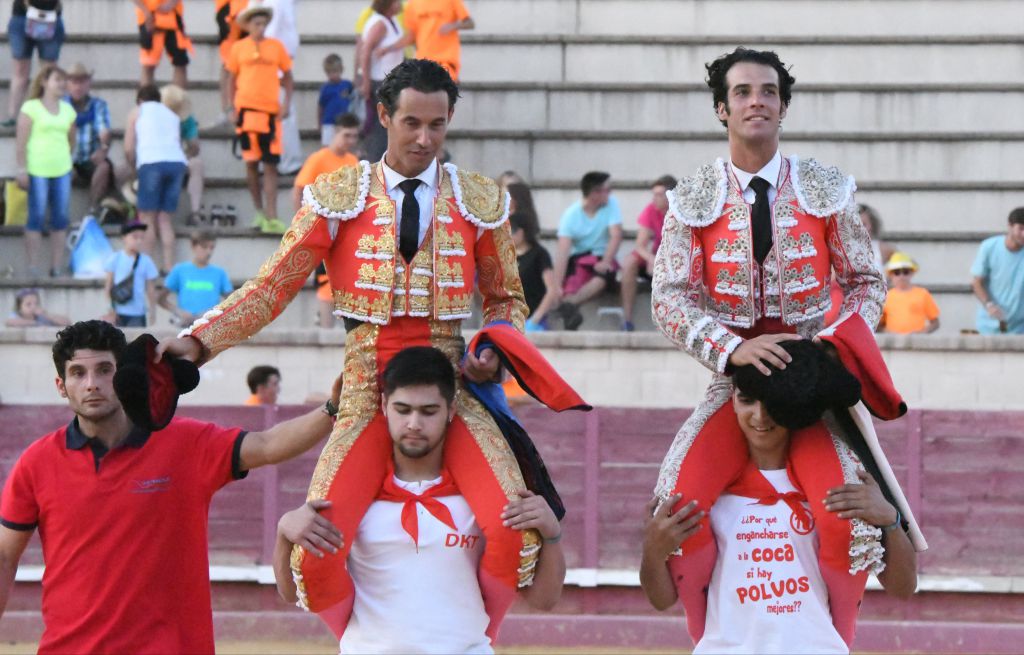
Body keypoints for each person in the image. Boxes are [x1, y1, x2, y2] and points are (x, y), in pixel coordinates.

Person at [156, 59, 568, 637]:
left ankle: (476, 641)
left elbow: (507, 301)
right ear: (383, 116)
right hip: (365, 390)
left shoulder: (479, 199)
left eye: (438, 125)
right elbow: (272, 287)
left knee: (513, 532)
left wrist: (492, 348)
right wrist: (199, 342)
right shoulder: (336, 196)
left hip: (453, 387)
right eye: (411, 123)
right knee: (314, 551)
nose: (425, 139)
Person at [649, 47, 889, 649]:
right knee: (679, 507)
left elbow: (867, 281)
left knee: (848, 517)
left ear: (782, 107)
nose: (757, 100)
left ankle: (835, 644)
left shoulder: (826, 189)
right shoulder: (693, 196)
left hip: (809, 387)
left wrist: (831, 350)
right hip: (735, 384)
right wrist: (731, 349)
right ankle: (708, 642)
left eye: (769, 91)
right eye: (742, 92)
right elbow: (668, 298)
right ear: (721, 109)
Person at [0, 320, 341, 654]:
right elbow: (3, 557)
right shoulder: (37, 463)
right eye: (78, 373)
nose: (92, 384)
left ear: (124, 376)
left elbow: (267, 444)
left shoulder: (186, 443)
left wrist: (333, 409)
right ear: (61, 385)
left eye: (105, 370)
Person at [274, 346, 564, 652]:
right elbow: (291, 593)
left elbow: (544, 600)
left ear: (451, 410)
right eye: (403, 410)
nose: (414, 423)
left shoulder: (477, 502)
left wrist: (553, 534)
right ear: (384, 406)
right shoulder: (358, 502)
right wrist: (283, 533)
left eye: (428, 411)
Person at [641, 340, 918, 654]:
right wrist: (651, 550)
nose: (760, 416)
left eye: (772, 403)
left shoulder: (835, 488)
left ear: (793, 405)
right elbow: (661, 600)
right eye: (747, 400)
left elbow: (903, 588)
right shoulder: (712, 490)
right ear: (732, 400)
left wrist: (891, 521)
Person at [226, 1, 294, 234]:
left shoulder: (276, 47)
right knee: (251, 163)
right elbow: (229, 78)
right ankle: (259, 212)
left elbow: (287, 76)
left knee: (271, 164)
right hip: (246, 112)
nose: (261, 27)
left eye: (264, 23)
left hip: (270, 113)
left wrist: (286, 103)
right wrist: (229, 108)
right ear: (248, 25)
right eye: (257, 23)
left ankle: (272, 215)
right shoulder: (238, 48)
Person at [15, 63, 75, 279]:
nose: (61, 84)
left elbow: (71, 139)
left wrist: (66, 160)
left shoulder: (68, 110)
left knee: (60, 217)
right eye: (56, 80)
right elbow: (21, 141)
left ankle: (56, 266)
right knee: (37, 216)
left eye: (63, 80)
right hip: (37, 168)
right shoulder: (31, 107)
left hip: (62, 170)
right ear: (44, 82)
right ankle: (32, 266)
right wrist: (22, 169)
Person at [124, 84, 188, 273]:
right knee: (165, 219)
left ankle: (147, 266)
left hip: (151, 163)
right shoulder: (172, 114)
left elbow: (129, 148)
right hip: (176, 164)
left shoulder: (138, 111)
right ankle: (169, 267)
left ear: (140, 100)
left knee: (147, 217)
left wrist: (133, 167)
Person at [551, 171, 623, 331]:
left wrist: (605, 260)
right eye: (607, 189)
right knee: (569, 286)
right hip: (580, 259)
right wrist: (556, 285)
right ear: (595, 193)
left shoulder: (611, 204)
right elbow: (563, 252)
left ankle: (569, 305)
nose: (610, 194)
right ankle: (570, 312)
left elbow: (616, 235)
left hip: (602, 256)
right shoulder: (570, 216)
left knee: (602, 277)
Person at [620, 174, 676, 332]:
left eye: (659, 195)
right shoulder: (651, 210)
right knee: (629, 262)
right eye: (654, 194)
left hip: (677, 260)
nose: (654, 199)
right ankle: (627, 320)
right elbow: (639, 245)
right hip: (657, 258)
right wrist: (652, 258)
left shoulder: (681, 211)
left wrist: (660, 261)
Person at [3, 0, 65, 128]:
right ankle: (13, 116)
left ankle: (49, 113)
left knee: (49, 71)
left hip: (51, 15)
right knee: (20, 71)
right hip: (22, 15)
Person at [65, 63, 116, 217]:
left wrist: (104, 147)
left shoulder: (98, 105)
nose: (78, 87)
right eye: (74, 82)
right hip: (66, 158)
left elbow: (104, 130)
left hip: (89, 159)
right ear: (68, 84)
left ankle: (93, 209)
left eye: (82, 82)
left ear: (88, 84)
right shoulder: (60, 106)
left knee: (104, 166)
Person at [357, 0, 404, 162]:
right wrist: (366, 80)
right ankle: (375, 161)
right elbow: (366, 50)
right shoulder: (380, 24)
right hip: (379, 80)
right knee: (380, 126)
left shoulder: (391, 21)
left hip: (390, 80)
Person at [384, 0, 473, 81]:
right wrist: (387, 49)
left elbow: (469, 23)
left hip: (447, 61)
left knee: (444, 96)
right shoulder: (412, 4)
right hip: (423, 62)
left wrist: (452, 26)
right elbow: (411, 37)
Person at [159, 230, 233, 325]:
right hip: (185, 325)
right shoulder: (180, 270)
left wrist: (213, 312)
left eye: (211, 248)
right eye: (204, 247)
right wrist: (178, 312)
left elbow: (232, 300)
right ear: (193, 246)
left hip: (210, 326)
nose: (208, 252)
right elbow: (161, 299)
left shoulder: (219, 273)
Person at [264, 0, 303, 175]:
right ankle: (287, 162)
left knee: (283, 115)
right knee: (283, 115)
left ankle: (284, 161)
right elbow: (269, 33)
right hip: (274, 65)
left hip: (279, 63)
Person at [292, 112, 361, 212]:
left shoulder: (353, 160)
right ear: (335, 132)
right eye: (347, 135)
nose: (351, 141)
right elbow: (298, 191)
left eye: (354, 136)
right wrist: (299, 221)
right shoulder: (318, 158)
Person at [971, 207, 1024, 334]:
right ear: (1010, 226)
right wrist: (989, 304)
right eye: (1021, 228)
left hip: (1019, 328)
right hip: (988, 326)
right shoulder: (989, 247)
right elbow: (976, 282)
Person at [160, 84, 206, 226]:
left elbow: (195, 147)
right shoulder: (153, 118)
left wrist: (185, 154)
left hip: (177, 159)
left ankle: (195, 213)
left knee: (196, 164)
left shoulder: (187, 120)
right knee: (121, 171)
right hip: (155, 159)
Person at [103, 221, 159, 328]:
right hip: (118, 312)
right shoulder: (115, 258)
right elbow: (108, 285)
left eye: (142, 238)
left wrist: (153, 310)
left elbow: (150, 288)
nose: (138, 241)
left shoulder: (146, 261)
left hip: (138, 313)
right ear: (124, 237)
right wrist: (109, 308)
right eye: (135, 237)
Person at [511, 212, 558, 331]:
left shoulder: (539, 254)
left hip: (534, 320)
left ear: (521, 232)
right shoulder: (507, 256)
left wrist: (535, 320)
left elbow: (551, 289)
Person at [133, 0, 192, 88]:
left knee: (180, 62)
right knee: (148, 63)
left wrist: (171, 3)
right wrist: (146, 12)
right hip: (149, 17)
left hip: (173, 17)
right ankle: (147, 99)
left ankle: (177, 100)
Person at [879, 252, 939, 334]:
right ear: (891, 275)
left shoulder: (923, 294)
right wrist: (889, 333)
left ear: (912, 273)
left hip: (917, 343)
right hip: (893, 344)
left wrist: (921, 333)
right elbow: (879, 325)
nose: (901, 276)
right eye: (897, 272)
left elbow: (935, 323)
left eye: (905, 272)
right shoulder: (886, 297)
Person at [211, 0, 249, 128]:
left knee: (249, 60)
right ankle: (227, 110)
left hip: (251, 7)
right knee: (228, 62)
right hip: (229, 9)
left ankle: (243, 108)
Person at [319, 54, 356, 147]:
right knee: (328, 147)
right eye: (329, 73)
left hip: (344, 123)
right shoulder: (325, 88)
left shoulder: (347, 85)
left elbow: (355, 97)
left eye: (335, 71)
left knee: (344, 145)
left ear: (341, 70)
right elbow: (320, 107)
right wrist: (320, 124)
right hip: (328, 122)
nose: (332, 75)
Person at [857, 203, 895, 275]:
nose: (860, 228)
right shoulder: (841, 250)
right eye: (856, 224)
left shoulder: (883, 249)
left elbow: (904, 268)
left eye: (864, 224)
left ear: (872, 225)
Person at [5, 287, 69, 327]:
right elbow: (9, 322)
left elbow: (67, 322)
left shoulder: (41, 317)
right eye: (28, 304)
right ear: (19, 308)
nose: (33, 307)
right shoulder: (16, 316)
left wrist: (46, 315)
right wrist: (35, 323)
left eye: (36, 303)